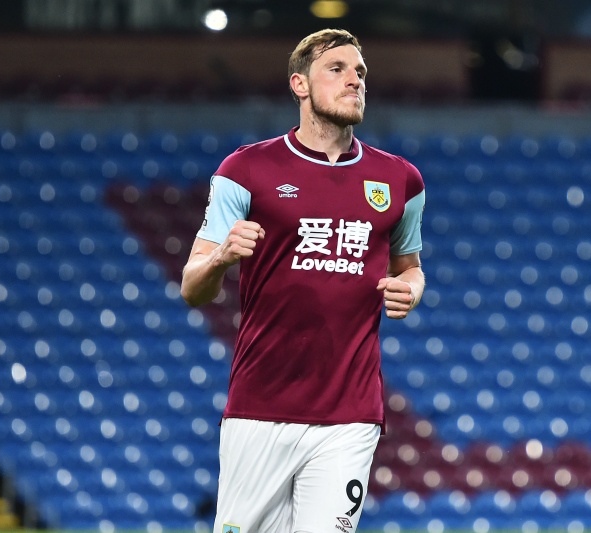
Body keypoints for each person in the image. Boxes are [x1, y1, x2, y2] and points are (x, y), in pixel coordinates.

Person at [181, 28, 426, 533]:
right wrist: (222, 256)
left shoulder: (401, 180)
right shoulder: (245, 170)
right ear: (300, 84)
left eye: (360, 72)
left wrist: (413, 289)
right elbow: (192, 286)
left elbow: (410, 266)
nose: (354, 80)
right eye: (336, 69)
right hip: (259, 408)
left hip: (351, 414)